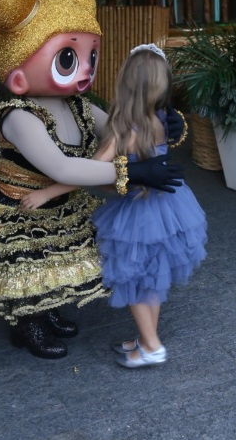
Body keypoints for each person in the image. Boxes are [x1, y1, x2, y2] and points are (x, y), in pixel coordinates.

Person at [0, 0, 185, 359]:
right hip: (20, 202)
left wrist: (157, 123)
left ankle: (47, 313)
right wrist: (130, 173)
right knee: (27, 265)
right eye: (69, 57)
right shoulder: (19, 116)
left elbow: (115, 127)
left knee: (55, 260)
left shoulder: (78, 105)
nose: (86, 68)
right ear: (17, 76)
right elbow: (62, 168)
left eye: (90, 57)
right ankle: (28, 324)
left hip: (60, 202)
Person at [21, 44, 207, 368]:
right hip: (171, 207)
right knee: (153, 276)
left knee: (132, 280)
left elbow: (86, 171)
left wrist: (46, 193)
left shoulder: (123, 129)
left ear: (125, 83)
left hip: (139, 213)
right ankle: (147, 338)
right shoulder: (160, 119)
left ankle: (151, 346)